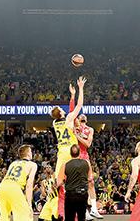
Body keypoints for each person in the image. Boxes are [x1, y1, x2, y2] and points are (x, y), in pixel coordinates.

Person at [51, 77, 86, 218]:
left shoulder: (54, 123)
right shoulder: (69, 118)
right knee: (75, 180)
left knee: (58, 182)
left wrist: (71, 95)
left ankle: (58, 211)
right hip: (72, 152)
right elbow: (80, 105)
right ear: (61, 113)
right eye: (60, 108)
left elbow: (61, 113)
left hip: (61, 153)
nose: (61, 108)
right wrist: (81, 88)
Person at [0, 144, 38, 221]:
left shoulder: (13, 163)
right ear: (29, 153)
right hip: (14, 188)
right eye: (31, 151)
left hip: (2, 187)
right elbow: (29, 185)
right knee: (26, 216)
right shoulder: (32, 165)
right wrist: (29, 204)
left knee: (4, 218)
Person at [75, 114, 102, 219]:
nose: (83, 116)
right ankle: (84, 211)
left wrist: (77, 136)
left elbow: (88, 144)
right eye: (80, 116)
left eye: (84, 116)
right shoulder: (74, 128)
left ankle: (94, 210)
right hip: (75, 157)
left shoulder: (90, 129)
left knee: (90, 182)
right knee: (79, 185)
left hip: (85, 156)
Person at [57, 145, 93, 221]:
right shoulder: (87, 163)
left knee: (69, 218)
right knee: (81, 218)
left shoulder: (65, 164)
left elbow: (59, 182)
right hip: (82, 195)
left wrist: (65, 180)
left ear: (70, 153)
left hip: (71, 195)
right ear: (79, 152)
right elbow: (90, 178)